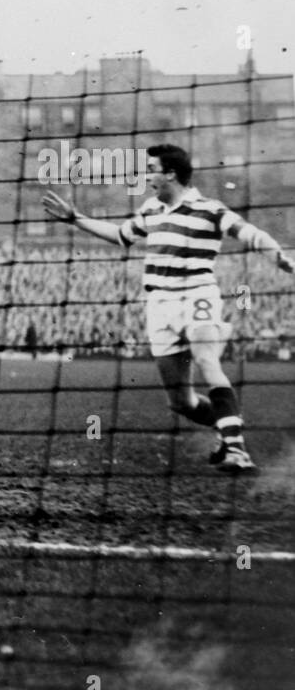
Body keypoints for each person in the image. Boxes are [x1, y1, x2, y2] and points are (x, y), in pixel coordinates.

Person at [44, 143, 294, 472]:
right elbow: (120, 235)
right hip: (159, 303)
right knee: (181, 402)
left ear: (171, 174)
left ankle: (237, 450)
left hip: (198, 295)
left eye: (152, 170)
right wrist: (75, 218)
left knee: (207, 360)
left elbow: (251, 233)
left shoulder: (209, 208)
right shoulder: (151, 210)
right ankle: (227, 424)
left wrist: (280, 257)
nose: (147, 176)